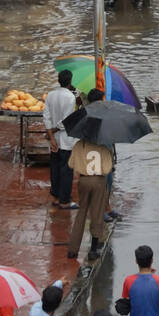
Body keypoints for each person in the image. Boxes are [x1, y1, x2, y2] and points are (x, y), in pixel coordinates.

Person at [66, 102, 112, 260]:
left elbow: (71, 164)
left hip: (84, 181)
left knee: (81, 213)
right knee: (97, 214)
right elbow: (107, 169)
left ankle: (73, 249)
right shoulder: (104, 147)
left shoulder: (80, 145)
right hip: (99, 182)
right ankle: (93, 249)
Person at [43, 69, 78, 210]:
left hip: (54, 140)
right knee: (66, 170)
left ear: (58, 80)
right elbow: (66, 121)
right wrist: (54, 131)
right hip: (65, 140)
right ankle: (64, 200)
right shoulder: (70, 98)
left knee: (55, 168)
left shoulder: (50, 95)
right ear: (70, 81)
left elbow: (46, 117)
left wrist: (51, 137)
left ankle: (56, 196)